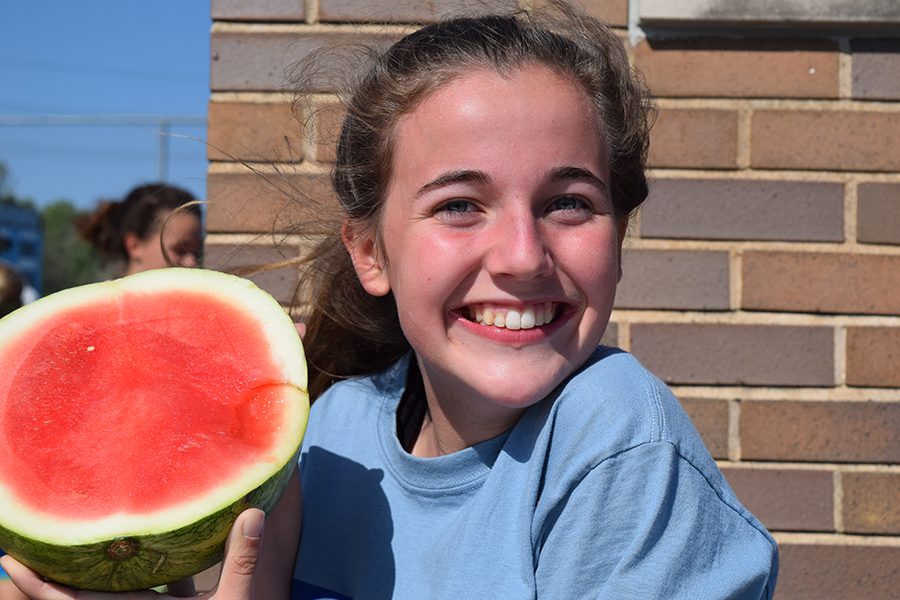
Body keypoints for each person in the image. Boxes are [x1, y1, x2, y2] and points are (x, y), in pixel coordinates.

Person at [1, 2, 778, 598]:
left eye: (569, 202)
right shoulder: (332, 435)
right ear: (370, 252)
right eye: (459, 206)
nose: (521, 255)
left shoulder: (613, 435)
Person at [78, 182, 203, 276]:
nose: (192, 263)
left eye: (197, 253)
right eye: (180, 250)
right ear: (135, 246)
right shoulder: (102, 307)